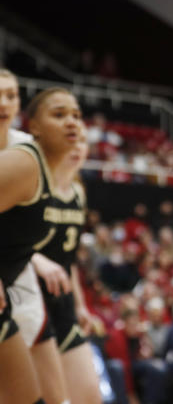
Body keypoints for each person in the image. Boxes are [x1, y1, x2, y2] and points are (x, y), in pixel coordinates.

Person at [0, 87, 85, 404]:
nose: (72, 123)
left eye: (76, 115)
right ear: (33, 126)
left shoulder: (51, 174)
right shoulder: (26, 162)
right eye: (59, 115)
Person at [30, 124, 105, 404]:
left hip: (62, 306)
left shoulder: (78, 192)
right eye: (72, 141)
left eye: (83, 142)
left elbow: (69, 260)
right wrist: (36, 260)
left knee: (90, 396)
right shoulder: (33, 184)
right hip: (29, 300)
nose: (77, 148)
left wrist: (81, 305)